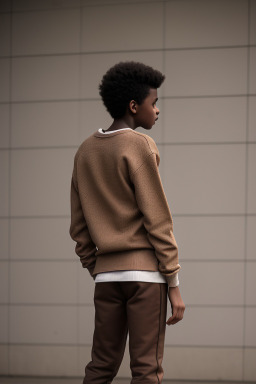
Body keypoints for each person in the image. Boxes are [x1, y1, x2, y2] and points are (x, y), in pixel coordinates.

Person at [69, 61, 185, 384]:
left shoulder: (84, 152)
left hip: (106, 279)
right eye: (154, 103)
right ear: (134, 106)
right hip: (146, 278)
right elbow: (158, 221)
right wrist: (173, 284)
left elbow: (78, 228)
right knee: (146, 369)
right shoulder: (139, 146)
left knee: (101, 366)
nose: (158, 110)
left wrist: (100, 266)